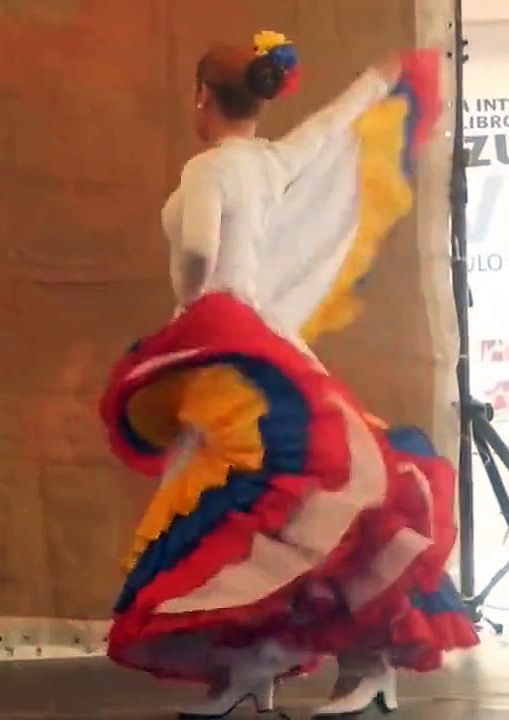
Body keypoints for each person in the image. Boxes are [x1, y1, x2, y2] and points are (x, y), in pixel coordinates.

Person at [99, 32, 477, 719]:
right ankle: (256, 662)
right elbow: (330, 129)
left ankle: (355, 664)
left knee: (275, 503)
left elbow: (195, 248)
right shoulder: (272, 163)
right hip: (260, 343)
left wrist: (193, 305)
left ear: (200, 99)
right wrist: (373, 82)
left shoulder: (210, 171)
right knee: (280, 503)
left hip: (229, 346)